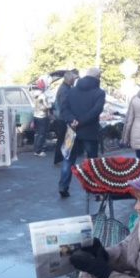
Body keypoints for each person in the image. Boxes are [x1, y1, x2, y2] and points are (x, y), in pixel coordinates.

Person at [57, 68, 105, 198]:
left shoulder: (71, 91)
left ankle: (63, 186)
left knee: (68, 159)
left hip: (72, 130)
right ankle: (93, 189)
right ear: (98, 78)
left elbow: (64, 108)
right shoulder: (99, 93)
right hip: (89, 131)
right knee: (91, 161)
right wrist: (82, 121)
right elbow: (96, 110)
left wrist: (73, 120)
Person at [52, 71, 77, 165]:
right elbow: (64, 105)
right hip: (63, 118)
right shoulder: (64, 89)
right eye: (73, 79)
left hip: (63, 117)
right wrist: (69, 118)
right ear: (70, 80)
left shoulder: (65, 88)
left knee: (63, 139)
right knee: (63, 139)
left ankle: (60, 158)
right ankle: (59, 158)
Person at [32, 89, 50, 156]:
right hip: (42, 116)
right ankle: (38, 151)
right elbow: (46, 107)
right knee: (42, 134)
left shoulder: (35, 95)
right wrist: (50, 106)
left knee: (37, 134)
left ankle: (35, 149)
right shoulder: (42, 96)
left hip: (35, 116)